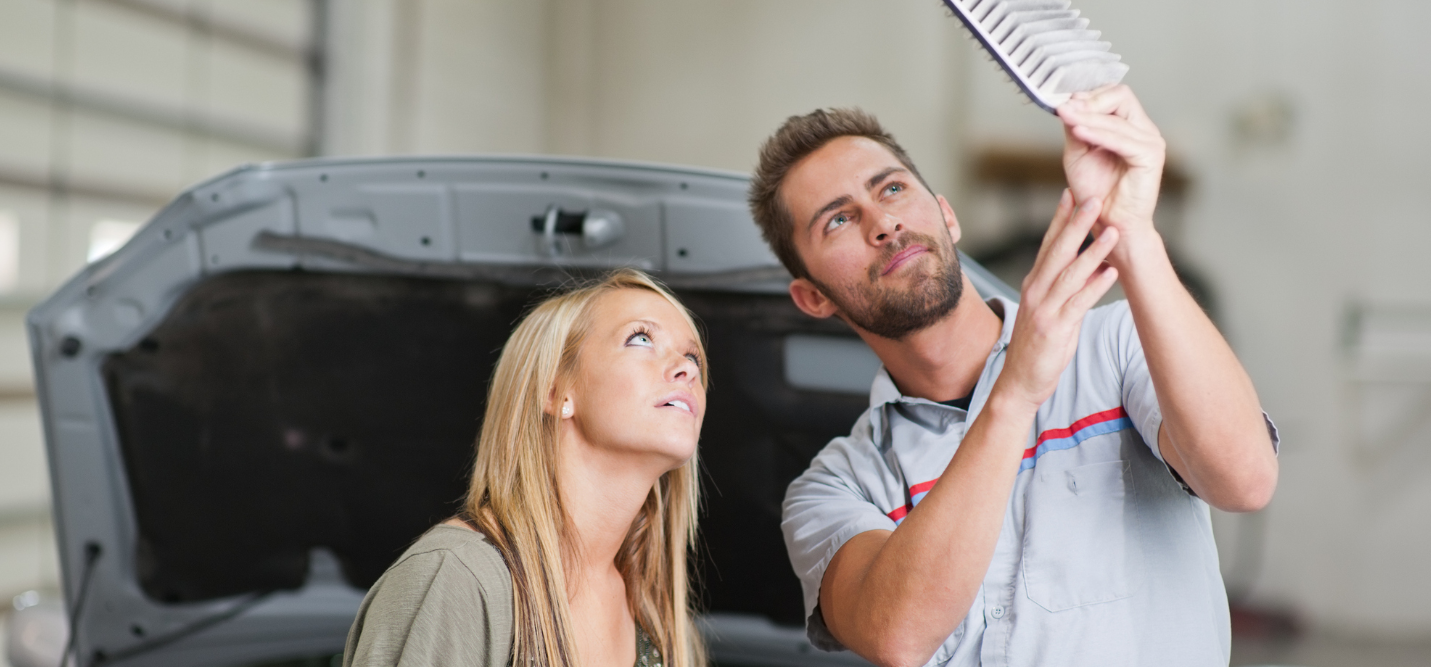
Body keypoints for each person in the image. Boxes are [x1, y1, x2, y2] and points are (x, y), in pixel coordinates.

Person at [750, 86, 1280, 667]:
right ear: (812, 298)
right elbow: (897, 634)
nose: (884, 223)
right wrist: (1016, 391)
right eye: (839, 220)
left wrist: (1133, 235)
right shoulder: (835, 487)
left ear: (946, 215)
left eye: (893, 188)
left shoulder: (1119, 344)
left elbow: (1245, 480)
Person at [342, 269, 709, 667]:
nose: (686, 369)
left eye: (693, 357)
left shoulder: (655, 619)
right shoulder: (457, 578)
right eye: (641, 339)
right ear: (554, 391)